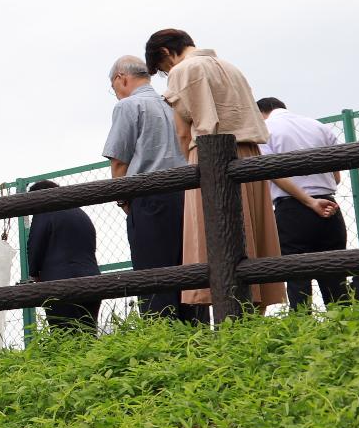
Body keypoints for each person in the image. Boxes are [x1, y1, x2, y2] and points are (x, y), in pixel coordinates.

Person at [144, 29, 284, 310]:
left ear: (164, 53)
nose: (165, 71)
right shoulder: (231, 67)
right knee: (254, 241)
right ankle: (257, 322)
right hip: (251, 156)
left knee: (214, 246)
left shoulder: (183, 69)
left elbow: (184, 132)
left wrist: (192, 169)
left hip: (210, 158)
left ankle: (229, 327)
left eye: (161, 67)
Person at [102, 55, 203, 324]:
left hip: (149, 198)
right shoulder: (172, 102)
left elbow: (119, 161)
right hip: (189, 197)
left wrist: (125, 201)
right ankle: (200, 337)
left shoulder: (128, 106)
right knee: (192, 272)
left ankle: (163, 343)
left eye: (113, 88)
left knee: (154, 277)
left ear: (121, 78)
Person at [257, 98, 348, 309]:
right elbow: (336, 177)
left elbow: (273, 172)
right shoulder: (318, 126)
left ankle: (302, 330)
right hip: (330, 205)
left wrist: (307, 200)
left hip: (292, 209)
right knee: (335, 276)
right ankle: (344, 330)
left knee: (297, 276)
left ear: (260, 113)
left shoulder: (264, 129)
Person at [22, 180, 102, 332]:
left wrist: (34, 274)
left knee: (64, 335)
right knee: (88, 333)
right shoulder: (81, 213)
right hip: (93, 281)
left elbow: (34, 245)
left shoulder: (45, 210)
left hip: (60, 284)